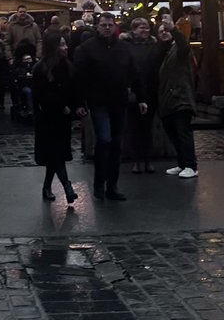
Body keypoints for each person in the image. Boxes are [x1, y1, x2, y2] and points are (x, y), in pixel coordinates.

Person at [73, 11, 147, 201]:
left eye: (110, 25)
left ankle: (112, 186)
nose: (107, 28)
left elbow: (134, 73)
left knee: (116, 144)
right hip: (98, 102)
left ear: (114, 26)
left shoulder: (123, 48)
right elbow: (79, 78)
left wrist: (141, 98)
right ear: (98, 27)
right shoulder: (87, 48)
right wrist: (79, 102)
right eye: (103, 25)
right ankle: (99, 183)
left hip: (118, 101)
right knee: (104, 140)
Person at [32, 30, 82, 203]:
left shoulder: (67, 65)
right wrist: (63, 106)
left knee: (55, 156)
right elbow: (42, 95)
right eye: (61, 44)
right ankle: (67, 187)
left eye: (65, 44)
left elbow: (74, 89)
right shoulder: (41, 68)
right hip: (48, 118)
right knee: (56, 154)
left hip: (63, 118)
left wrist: (75, 107)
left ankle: (47, 187)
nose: (65, 47)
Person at [156, 20, 198, 178]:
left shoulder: (178, 49)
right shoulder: (164, 51)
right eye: (161, 31)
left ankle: (191, 165)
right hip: (167, 99)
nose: (164, 33)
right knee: (173, 133)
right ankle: (182, 163)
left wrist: (174, 30)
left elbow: (184, 45)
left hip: (180, 97)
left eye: (166, 31)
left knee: (183, 132)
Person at [125, 18, 162, 173]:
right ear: (133, 29)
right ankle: (136, 160)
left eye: (147, 28)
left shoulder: (154, 45)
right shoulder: (126, 46)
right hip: (133, 91)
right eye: (141, 28)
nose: (145, 30)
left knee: (147, 127)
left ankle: (147, 159)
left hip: (150, 90)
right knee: (134, 126)